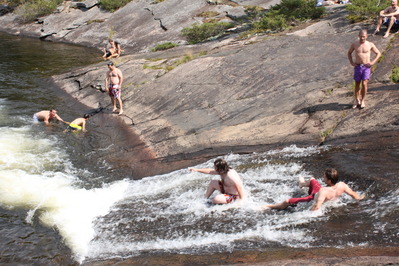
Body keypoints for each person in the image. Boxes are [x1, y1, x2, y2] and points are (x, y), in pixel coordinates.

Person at [259, 168, 364, 211]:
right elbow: (355, 196)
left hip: (312, 197)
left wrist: (306, 214)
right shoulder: (342, 185)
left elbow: (317, 207)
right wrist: (361, 199)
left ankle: (268, 206)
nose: (323, 178)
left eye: (324, 177)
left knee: (287, 201)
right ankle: (302, 183)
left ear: (328, 180)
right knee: (313, 180)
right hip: (325, 194)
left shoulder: (323, 191)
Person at [347, 29, 381, 109]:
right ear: (358, 36)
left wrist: (372, 62)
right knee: (357, 84)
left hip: (366, 66)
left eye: (363, 36)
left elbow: (378, 53)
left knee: (365, 84)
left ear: (366, 36)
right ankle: (357, 100)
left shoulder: (370, 44)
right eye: (361, 36)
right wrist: (352, 62)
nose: (362, 38)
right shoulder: (354, 44)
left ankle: (363, 100)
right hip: (358, 66)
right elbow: (349, 53)